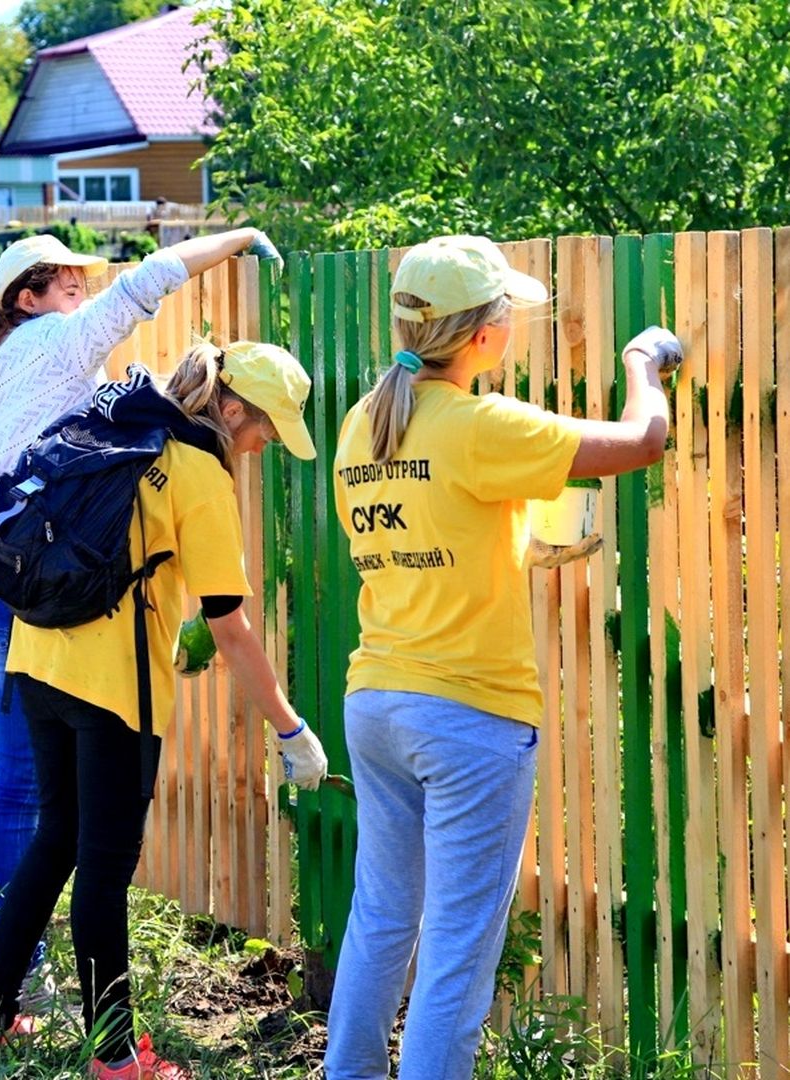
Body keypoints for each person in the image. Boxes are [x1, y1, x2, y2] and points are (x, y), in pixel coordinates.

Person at [322, 236, 680, 1080]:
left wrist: (517, 543)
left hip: (377, 701)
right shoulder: (481, 424)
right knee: (457, 948)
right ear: (485, 336)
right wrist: (643, 365)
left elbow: (428, 532)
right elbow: (642, 441)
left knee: (381, 918)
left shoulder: (364, 424)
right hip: (470, 716)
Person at [0, 341, 330, 1080]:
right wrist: (290, 729)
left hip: (37, 656)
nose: (261, 446)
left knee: (54, 840)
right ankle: (118, 1059)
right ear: (230, 410)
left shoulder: (115, 422)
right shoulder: (197, 473)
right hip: (113, 693)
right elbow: (229, 625)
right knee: (102, 869)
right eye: (262, 430)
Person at [0, 226, 287, 997]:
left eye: (80, 279)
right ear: (26, 299)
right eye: (63, 281)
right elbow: (151, 281)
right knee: (82, 849)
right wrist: (236, 236)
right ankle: (88, 1031)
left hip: (0, 582)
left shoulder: (15, 372)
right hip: (64, 630)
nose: (81, 290)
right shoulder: (68, 350)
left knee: (28, 805)